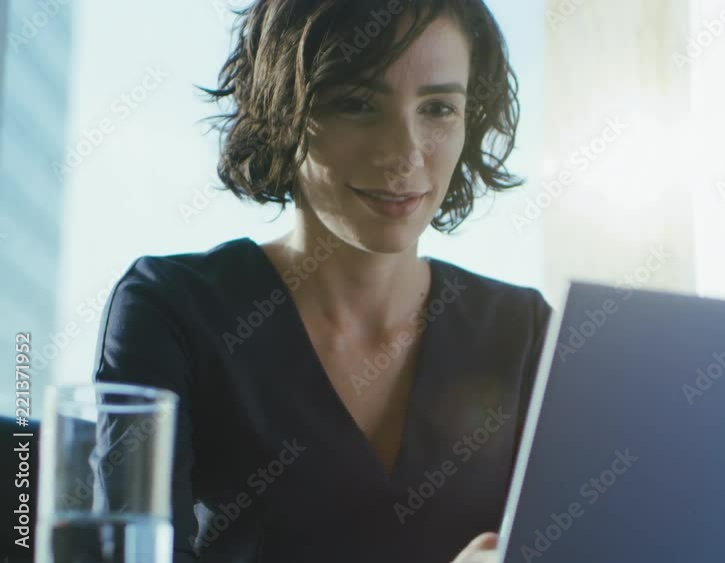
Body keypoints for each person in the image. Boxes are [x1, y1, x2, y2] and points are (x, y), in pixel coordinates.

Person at [92, 1, 550, 561]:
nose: (405, 155)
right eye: (356, 103)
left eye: (438, 108)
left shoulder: (524, 332)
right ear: (282, 109)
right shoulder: (173, 309)